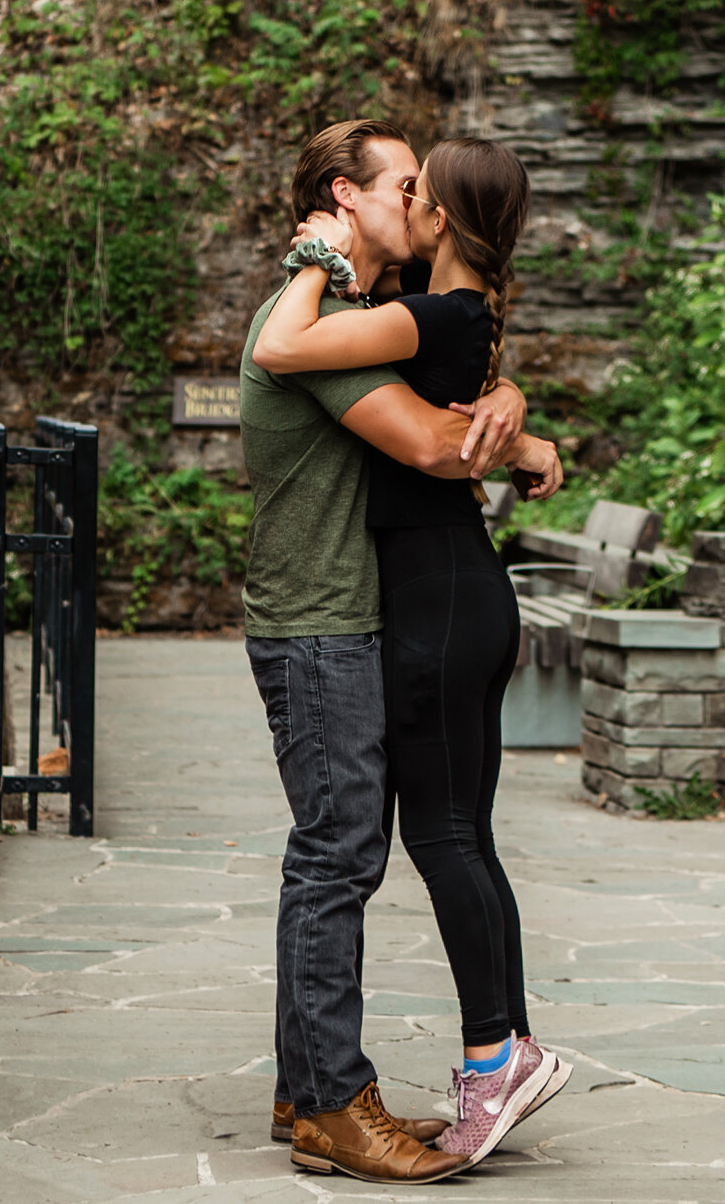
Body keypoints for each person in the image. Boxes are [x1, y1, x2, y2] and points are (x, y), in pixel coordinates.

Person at [237, 119, 565, 1185]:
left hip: (385, 611)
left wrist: (509, 417)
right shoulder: (340, 316)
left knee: (388, 846)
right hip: (327, 621)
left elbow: (447, 408)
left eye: (429, 189)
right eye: (401, 184)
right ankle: (332, 1098)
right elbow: (431, 440)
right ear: (348, 195)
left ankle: (328, 1087)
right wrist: (510, 426)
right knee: (348, 855)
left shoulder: (388, 317)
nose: (416, 201)